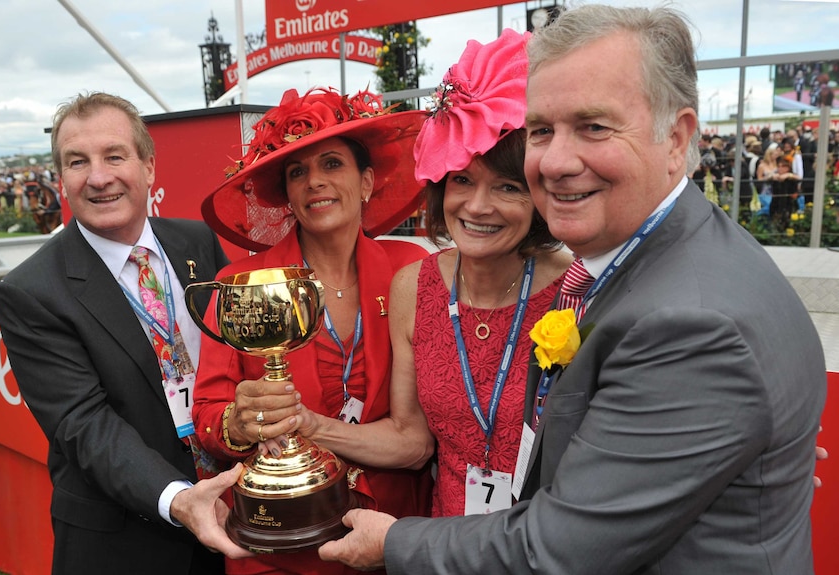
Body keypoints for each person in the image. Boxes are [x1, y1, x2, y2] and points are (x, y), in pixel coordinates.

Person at [317, 5, 827, 574]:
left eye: (594, 127)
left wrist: (393, 545)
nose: (556, 162)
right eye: (541, 130)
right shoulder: (652, 263)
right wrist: (707, 454)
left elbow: (558, 551)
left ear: (677, 138)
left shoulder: (687, 322)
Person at [259, 29, 572, 518]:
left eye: (508, 187)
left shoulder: (575, 289)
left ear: (539, 194)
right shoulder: (417, 285)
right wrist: (309, 424)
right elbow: (411, 439)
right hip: (442, 545)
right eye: (462, 181)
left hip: (546, 539)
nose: (478, 205)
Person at [0, 92, 251, 575]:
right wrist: (180, 500)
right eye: (77, 162)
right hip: (125, 544)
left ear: (148, 167)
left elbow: (234, 361)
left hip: (234, 521)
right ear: (61, 179)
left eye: (114, 156)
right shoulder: (29, 293)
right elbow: (85, 425)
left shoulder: (196, 241)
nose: (98, 177)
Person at [191, 87, 434, 575]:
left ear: (366, 181)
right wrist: (241, 422)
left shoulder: (413, 269)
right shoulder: (240, 285)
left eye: (331, 164)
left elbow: (433, 423)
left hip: (390, 533)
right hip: (279, 540)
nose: (314, 182)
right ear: (286, 196)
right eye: (297, 172)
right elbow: (208, 417)